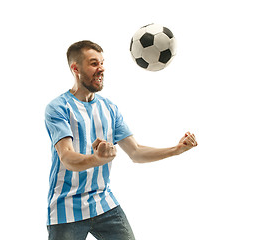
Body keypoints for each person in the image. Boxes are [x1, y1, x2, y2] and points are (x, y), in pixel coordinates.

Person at [44, 40, 197, 240]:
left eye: (102, 62)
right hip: (67, 209)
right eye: (93, 63)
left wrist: (176, 149)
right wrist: (98, 159)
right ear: (75, 68)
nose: (101, 69)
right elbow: (67, 158)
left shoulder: (109, 108)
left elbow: (136, 152)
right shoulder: (58, 108)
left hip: (103, 203)